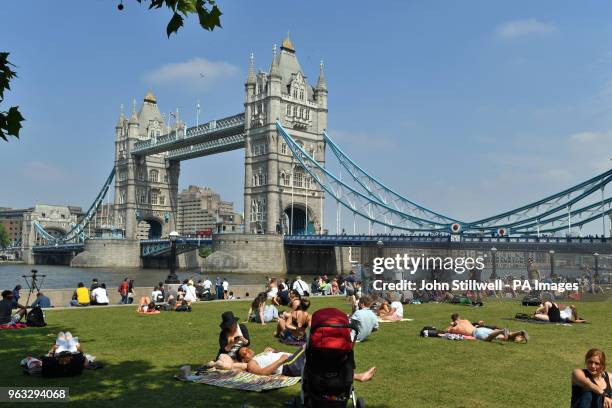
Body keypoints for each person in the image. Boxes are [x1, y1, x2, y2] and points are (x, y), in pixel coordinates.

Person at [238, 346, 377, 381]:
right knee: (311, 344)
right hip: (288, 365)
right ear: (244, 360)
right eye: (243, 353)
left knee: (323, 366)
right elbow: (262, 373)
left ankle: (358, 376)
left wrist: (274, 351)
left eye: (246, 348)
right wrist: (280, 360)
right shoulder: (251, 364)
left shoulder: (261, 354)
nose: (246, 351)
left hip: (290, 360)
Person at [446, 313, 528, 342]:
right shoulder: (465, 321)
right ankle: (520, 332)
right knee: (505, 338)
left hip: (476, 333)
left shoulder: (454, 328)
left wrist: (452, 324)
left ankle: (501, 331)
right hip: (480, 329)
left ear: (453, 320)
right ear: (459, 317)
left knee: (487, 339)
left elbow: (446, 331)